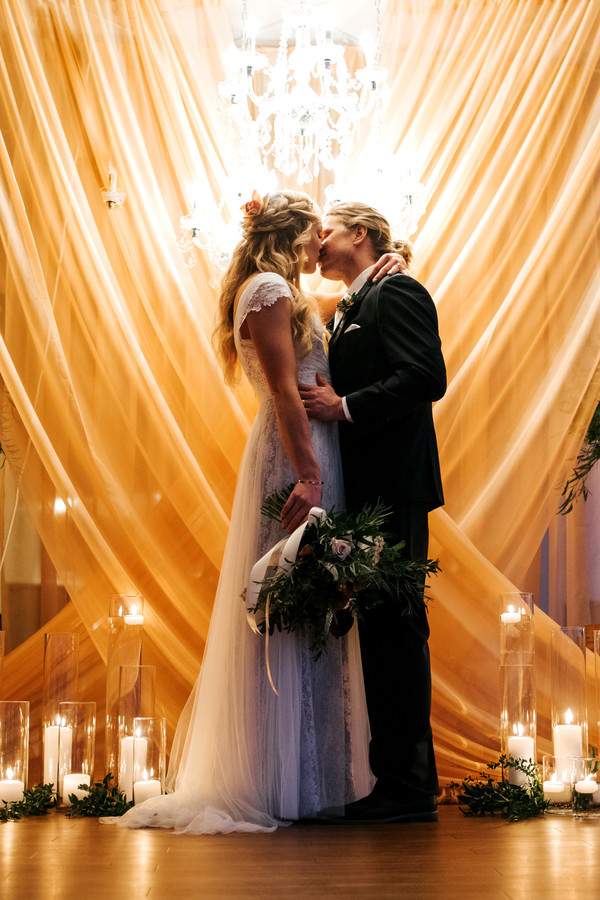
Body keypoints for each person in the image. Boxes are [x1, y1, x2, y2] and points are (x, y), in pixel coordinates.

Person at [106, 191, 400, 835]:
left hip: (315, 451)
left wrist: (379, 268)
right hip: (294, 456)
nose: (319, 246)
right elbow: (284, 395)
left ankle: (310, 778)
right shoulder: (267, 291)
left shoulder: (278, 291)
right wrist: (310, 473)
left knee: (315, 608)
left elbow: (336, 311)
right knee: (290, 604)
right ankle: (280, 781)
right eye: (312, 235)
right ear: (292, 237)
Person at [299, 202, 446, 824]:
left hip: (396, 487)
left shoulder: (398, 290)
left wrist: (344, 407)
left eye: (327, 232)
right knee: (381, 632)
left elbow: (426, 377)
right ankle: (394, 781)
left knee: (398, 631)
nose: (318, 245)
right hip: (367, 493)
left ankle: (409, 791)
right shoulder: (354, 303)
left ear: (360, 235)